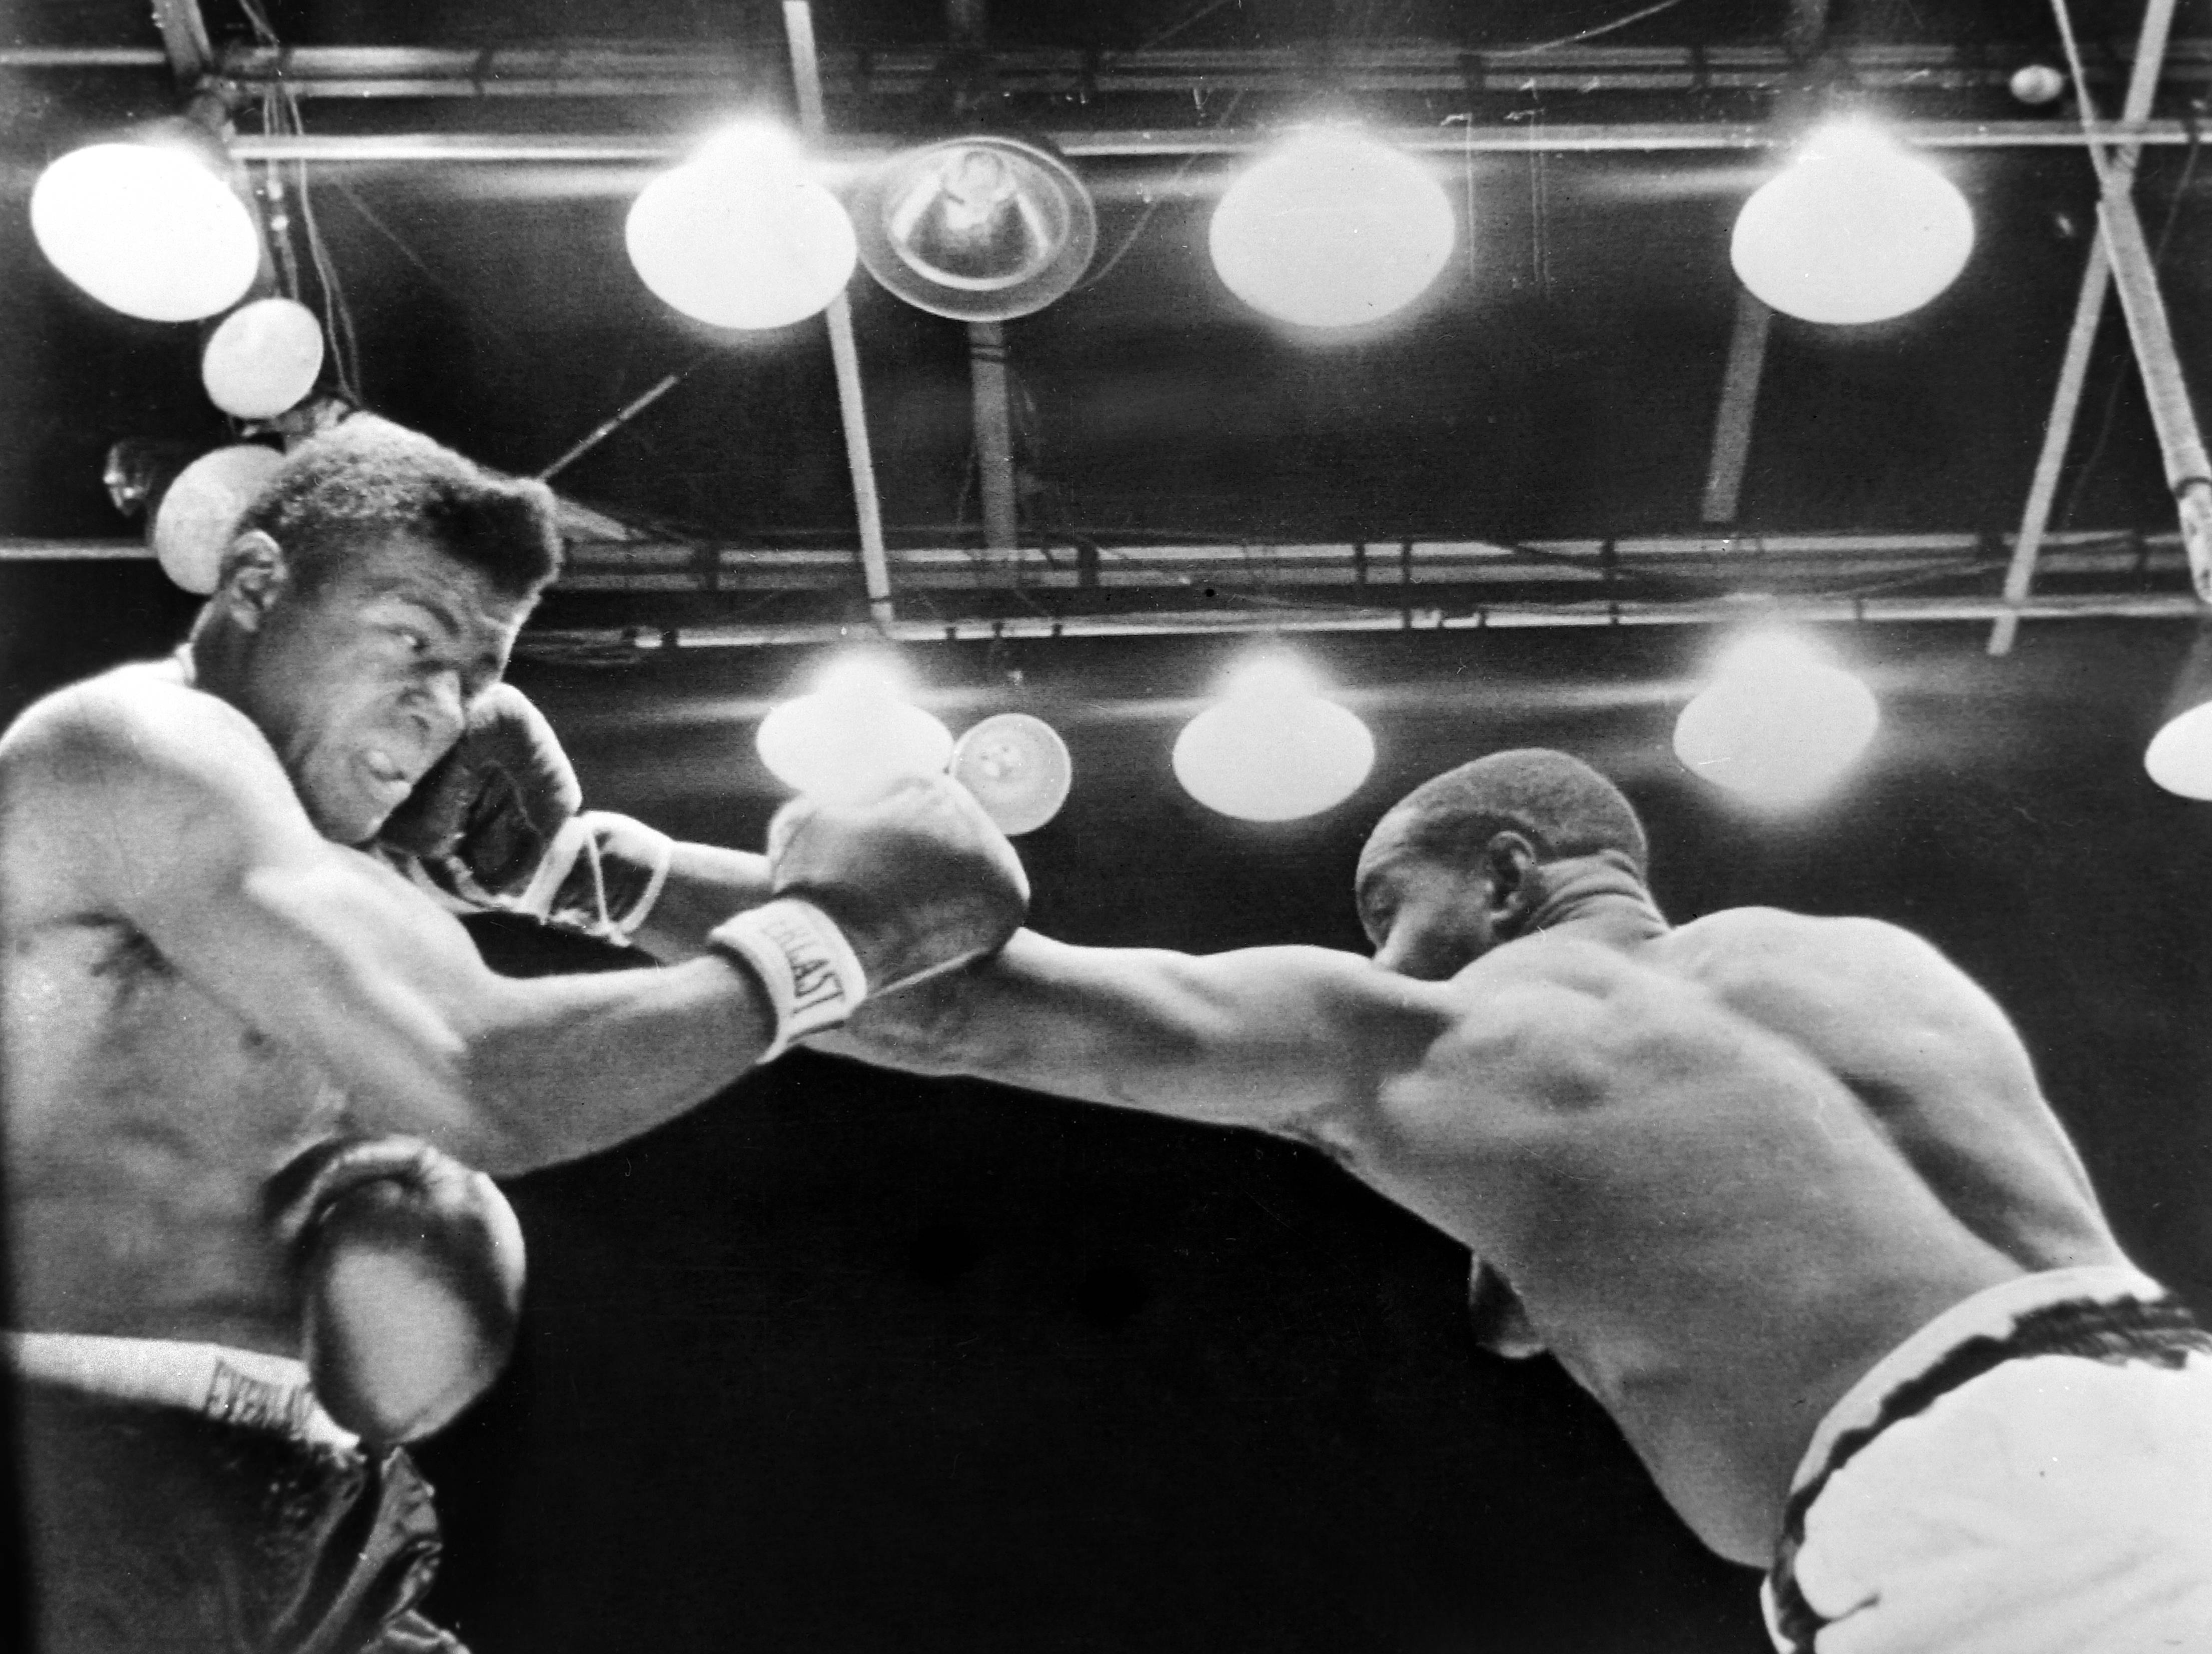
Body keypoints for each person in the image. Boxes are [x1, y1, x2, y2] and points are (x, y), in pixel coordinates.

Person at [0, 418, 1027, 1653]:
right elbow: (483, 1081)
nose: (436, 708)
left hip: (319, 1534)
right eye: (410, 640)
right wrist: (843, 935)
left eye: (474, 673)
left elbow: (923, 1019)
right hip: (93, 1482)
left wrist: (587, 872)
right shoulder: (139, 749)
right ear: (260, 583)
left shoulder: (349, 874)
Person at [824, 747, 2212, 1653]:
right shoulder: (1870, 962)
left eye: (1384, 915)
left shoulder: (1437, 1038)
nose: (1379, 957)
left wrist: (613, 871)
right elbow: (1660, 1233)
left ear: (1500, 873)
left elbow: (958, 1009)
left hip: (1975, 1526)